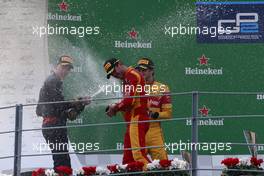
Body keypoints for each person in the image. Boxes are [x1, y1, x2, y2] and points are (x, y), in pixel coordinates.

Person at [36, 56, 91, 169]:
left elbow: (42, 110)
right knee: (62, 160)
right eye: (63, 67)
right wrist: (77, 102)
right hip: (53, 127)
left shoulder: (52, 81)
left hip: (53, 126)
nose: (66, 71)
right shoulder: (53, 80)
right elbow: (59, 105)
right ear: (57, 66)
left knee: (62, 159)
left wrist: (80, 105)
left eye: (68, 68)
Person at [103, 58, 151, 168]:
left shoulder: (131, 75)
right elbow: (128, 102)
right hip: (133, 121)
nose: (115, 75)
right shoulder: (127, 78)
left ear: (119, 64)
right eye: (112, 74)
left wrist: (115, 108)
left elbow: (129, 101)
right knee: (128, 159)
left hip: (137, 119)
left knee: (138, 155)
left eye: (114, 71)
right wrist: (116, 107)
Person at [136, 57, 172, 160]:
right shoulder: (134, 87)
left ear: (152, 71)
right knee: (136, 165)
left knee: (162, 164)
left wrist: (155, 114)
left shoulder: (162, 88)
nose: (141, 72)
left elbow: (168, 114)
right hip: (137, 131)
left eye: (144, 70)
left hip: (154, 131)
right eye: (139, 70)